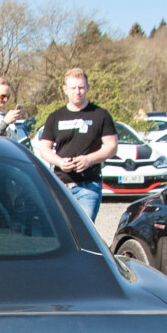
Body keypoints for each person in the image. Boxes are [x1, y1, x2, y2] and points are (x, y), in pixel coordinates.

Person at [35, 68, 118, 221]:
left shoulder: (100, 115)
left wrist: (89, 159)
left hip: (88, 185)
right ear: (65, 89)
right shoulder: (55, 117)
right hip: (60, 184)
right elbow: (44, 149)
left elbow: (112, 146)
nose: (77, 92)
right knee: (61, 230)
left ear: (87, 88)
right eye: (73, 88)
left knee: (83, 232)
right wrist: (59, 161)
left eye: (81, 87)